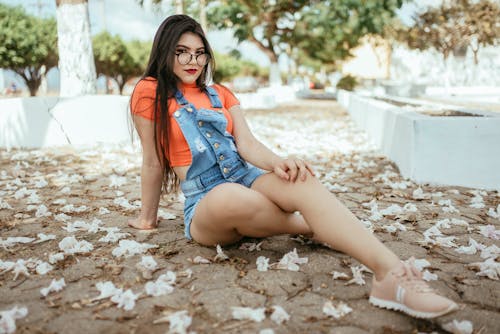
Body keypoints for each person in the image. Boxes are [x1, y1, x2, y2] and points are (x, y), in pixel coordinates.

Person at [129, 14, 459, 319]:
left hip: (247, 175)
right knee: (231, 195)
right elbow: (152, 161)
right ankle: (311, 225)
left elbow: (248, 144)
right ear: (165, 52)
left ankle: (391, 274)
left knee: (300, 180)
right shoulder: (149, 92)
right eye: (182, 52)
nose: (193, 61)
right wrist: (147, 218)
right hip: (206, 199)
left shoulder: (220, 93)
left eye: (200, 53)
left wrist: (279, 163)